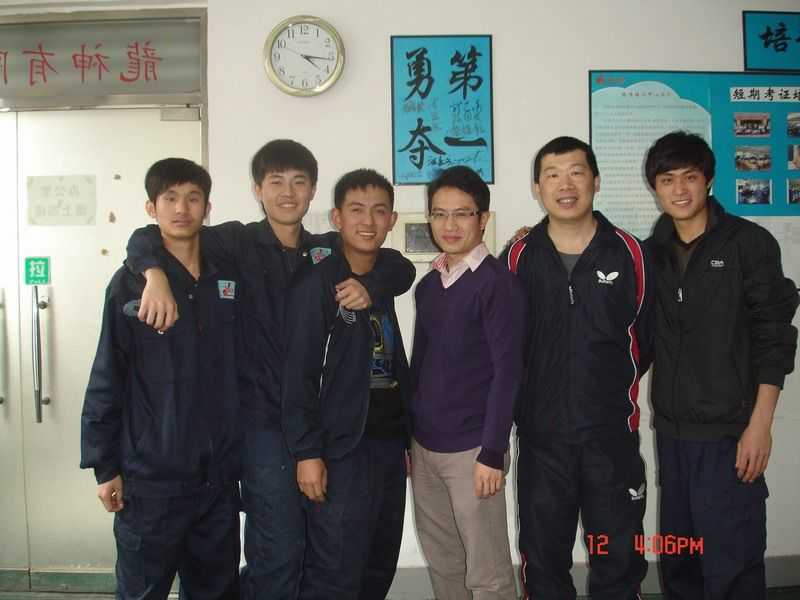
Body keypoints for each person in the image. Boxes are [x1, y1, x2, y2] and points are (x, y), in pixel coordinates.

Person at [125, 141, 415, 600]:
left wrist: (371, 285)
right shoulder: (234, 242)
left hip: (316, 423)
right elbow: (150, 236)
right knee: (277, 550)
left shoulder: (322, 250)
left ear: (313, 191)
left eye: (299, 182)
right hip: (262, 424)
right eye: (276, 182)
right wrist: (153, 274)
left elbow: (396, 265)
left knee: (321, 547)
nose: (288, 192)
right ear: (257, 189)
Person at [645, 131, 799, 600]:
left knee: (732, 564)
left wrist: (760, 426)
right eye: (667, 180)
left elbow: (775, 338)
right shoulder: (653, 252)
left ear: (708, 180)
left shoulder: (748, 244)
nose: (679, 189)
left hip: (730, 436)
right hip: (672, 434)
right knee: (681, 561)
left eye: (689, 177)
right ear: (655, 188)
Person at [81, 158, 241, 599]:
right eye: (170, 198)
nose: (182, 209)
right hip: (151, 483)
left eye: (193, 198)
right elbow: (107, 376)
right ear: (151, 208)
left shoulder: (228, 274)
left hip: (217, 482)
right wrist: (104, 466)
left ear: (208, 207)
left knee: (217, 592)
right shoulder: (129, 286)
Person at [502, 136, 653, 600]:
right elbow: (504, 343)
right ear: (537, 188)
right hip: (542, 440)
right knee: (544, 562)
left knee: (618, 560)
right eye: (552, 175)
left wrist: (603, 391)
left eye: (576, 173)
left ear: (596, 181)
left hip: (611, 440)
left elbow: (646, 339)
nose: (565, 185)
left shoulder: (630, 253)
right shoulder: (518, 256)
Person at [281, 168, 411, 600]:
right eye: (356, 210)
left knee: (379, 562)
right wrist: (307, 453)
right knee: (335, 570)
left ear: (392, 219)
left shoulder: (383, 275)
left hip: (388, 446)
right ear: (337, 217)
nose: (368, 221)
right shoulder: (317, 282)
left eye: (379, 211)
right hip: (341, 450)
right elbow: (298, 374)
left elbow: (403, 268)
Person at [410, 166, 522, 600]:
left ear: (483, 219)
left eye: (462, 213)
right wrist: (408, 440)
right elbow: (421, 365)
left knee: (487, 573)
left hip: (473, 452)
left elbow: (508, 372)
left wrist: (492, 452)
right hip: (424, 449)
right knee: (445, 566)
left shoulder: (498, 284)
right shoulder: (429, 286)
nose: (450, 224)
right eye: (439, 214)